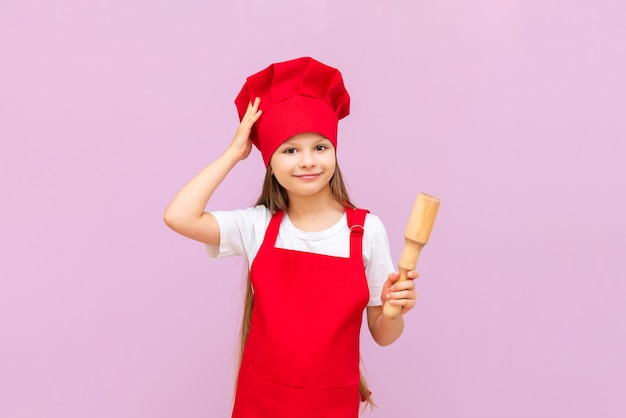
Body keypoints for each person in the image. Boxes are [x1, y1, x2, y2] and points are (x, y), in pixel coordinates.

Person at [164, 57, 419, 418]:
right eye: (289, 150)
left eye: (320, 147)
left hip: (332, 405)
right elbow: (179, 216)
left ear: (334, 151)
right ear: (270, 161)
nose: (307, 161)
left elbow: (383, 333)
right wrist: (234, 153)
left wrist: (396, 310)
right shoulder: (257, 227)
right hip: (260, 402)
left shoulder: (365, 231)